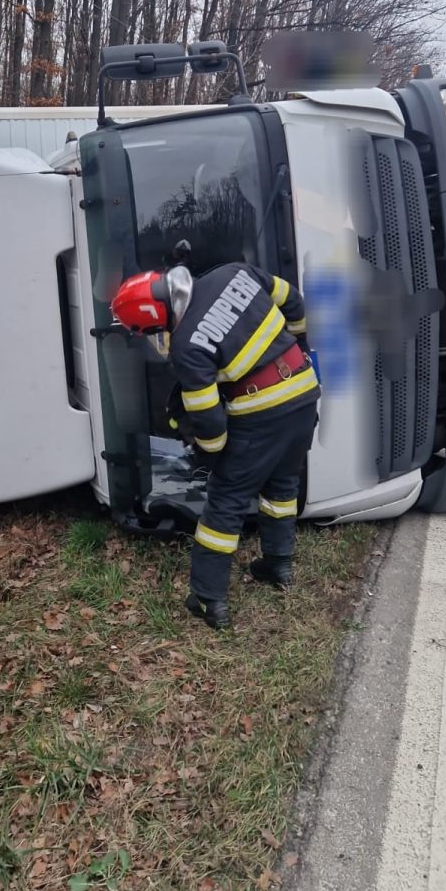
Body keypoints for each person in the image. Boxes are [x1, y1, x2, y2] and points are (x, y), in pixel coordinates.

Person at [111, 262, 320, 630]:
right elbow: (292, 299)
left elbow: (208, 420)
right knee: (282, 485)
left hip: (262, 413)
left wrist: (211, 453)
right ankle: (278, 564)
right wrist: (300, 341)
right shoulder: (233, 272)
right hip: (303, 394)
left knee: (225, 503)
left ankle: (208, 599)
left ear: (153, 319)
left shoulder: (187, 345)